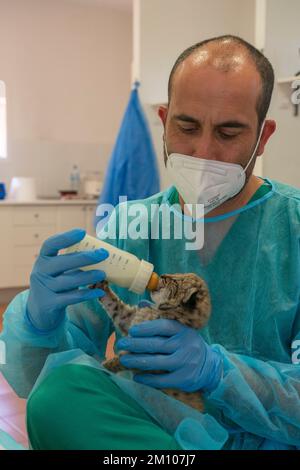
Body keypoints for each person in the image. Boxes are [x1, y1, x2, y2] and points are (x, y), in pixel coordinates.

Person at [1, 34, 300, 450]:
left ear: (263, 137)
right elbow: (42, 377)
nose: (203, 152)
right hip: (153, 434)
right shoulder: (132, 224)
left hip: (270, 440)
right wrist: (40, 320)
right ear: (164, 121)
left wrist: (218, 372)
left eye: (229, 133)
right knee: (58, 395)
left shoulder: (294, 227)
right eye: (187, 126)